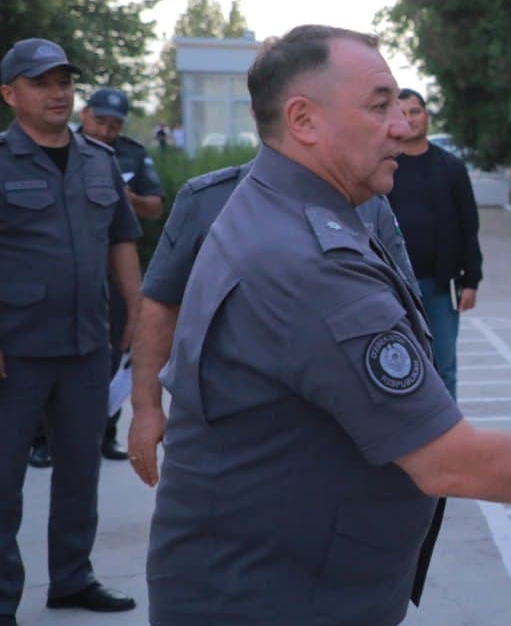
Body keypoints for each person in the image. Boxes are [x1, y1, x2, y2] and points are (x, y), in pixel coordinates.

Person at [146, 25, 511, 626]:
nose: (402, 126)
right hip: (269, 611)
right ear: (303, 119)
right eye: (378, 105)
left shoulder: (296, 210)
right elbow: (450, 461)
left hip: (278, 590)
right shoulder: (306, 258)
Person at [126, 161, 416, 487]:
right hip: (231, 438)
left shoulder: (368, 203)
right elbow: (161, 303)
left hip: (339, 428)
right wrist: (146, 408)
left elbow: (404, 308)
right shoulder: (207, 199)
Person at [0, 38, 143, 626]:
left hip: (89, 344)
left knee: (80, 471)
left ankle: (73, 578)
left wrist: (138, 309)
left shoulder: (98, 159)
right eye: (41, 82)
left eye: (63, 80)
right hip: (17, 349)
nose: (57, 92)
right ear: (11, 94)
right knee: (3, 481)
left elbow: (121, 238)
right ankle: (2, 602)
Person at [79, 86, 164, 461]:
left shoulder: (131, 153)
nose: (106, 131)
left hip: (115, 272)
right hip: (68, 269)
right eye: (100, 121)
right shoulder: (62, 150)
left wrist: (129, 198)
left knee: (116, 350)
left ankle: (105, 433)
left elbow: (154, 208)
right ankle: (43, 439)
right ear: (85, 114)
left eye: (114, 125)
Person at [385, 87, 482, 400]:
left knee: (443, 364)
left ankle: (449, 438)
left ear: (426, 115)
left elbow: (469, 226)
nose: (409, 119)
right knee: (398, 365)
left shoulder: (451, 168)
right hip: (393, 285)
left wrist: (471, 281)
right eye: (402, 113)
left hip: (440, 285)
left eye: (415, 111)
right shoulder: (385, 166)